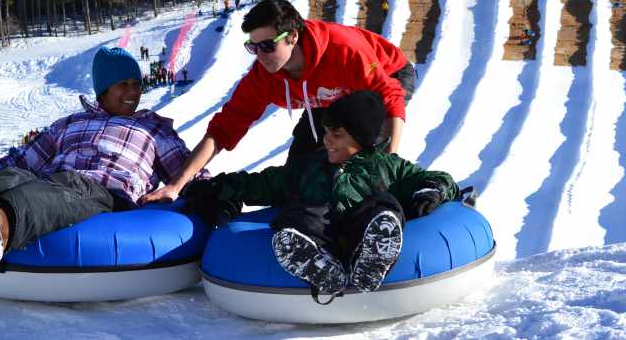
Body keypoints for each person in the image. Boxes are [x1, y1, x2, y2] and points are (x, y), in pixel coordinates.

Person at [0, 47, 205, 265]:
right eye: (124, 84)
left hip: (105, 192)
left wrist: (211, 190)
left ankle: (0, 225)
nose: (133, 91)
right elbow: (23, 160)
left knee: (62, 187)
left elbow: (186, 170)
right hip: (54, 181)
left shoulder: (152, 127)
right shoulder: (68, 124)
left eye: (136, 84)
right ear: (104, 90)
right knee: (16, 177)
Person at [183, 91, 459, 299]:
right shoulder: (309, 166)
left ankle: (372, 256)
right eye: (326, 132)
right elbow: (264, 183)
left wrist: (432, 191)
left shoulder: (387, 166)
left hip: (359, 231)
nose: (326, 140)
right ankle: (318, 265)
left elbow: (438, 178)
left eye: (336, 135)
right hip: (320, 234)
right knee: (302, 213)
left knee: (383, 207)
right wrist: (220, 187)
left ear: (361, 138)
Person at [141, 0, 416, 204]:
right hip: (327, 99)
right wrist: (176, 185)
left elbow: (390, 96)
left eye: (268, 45)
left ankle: (380, 209)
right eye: (253, 47)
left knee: (362, 156)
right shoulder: (263, 76)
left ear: (293, 36)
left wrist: (387, 161)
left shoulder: (343, 51)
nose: (260, 55)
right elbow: (223, 129)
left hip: (384, 79)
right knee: (301, 171)